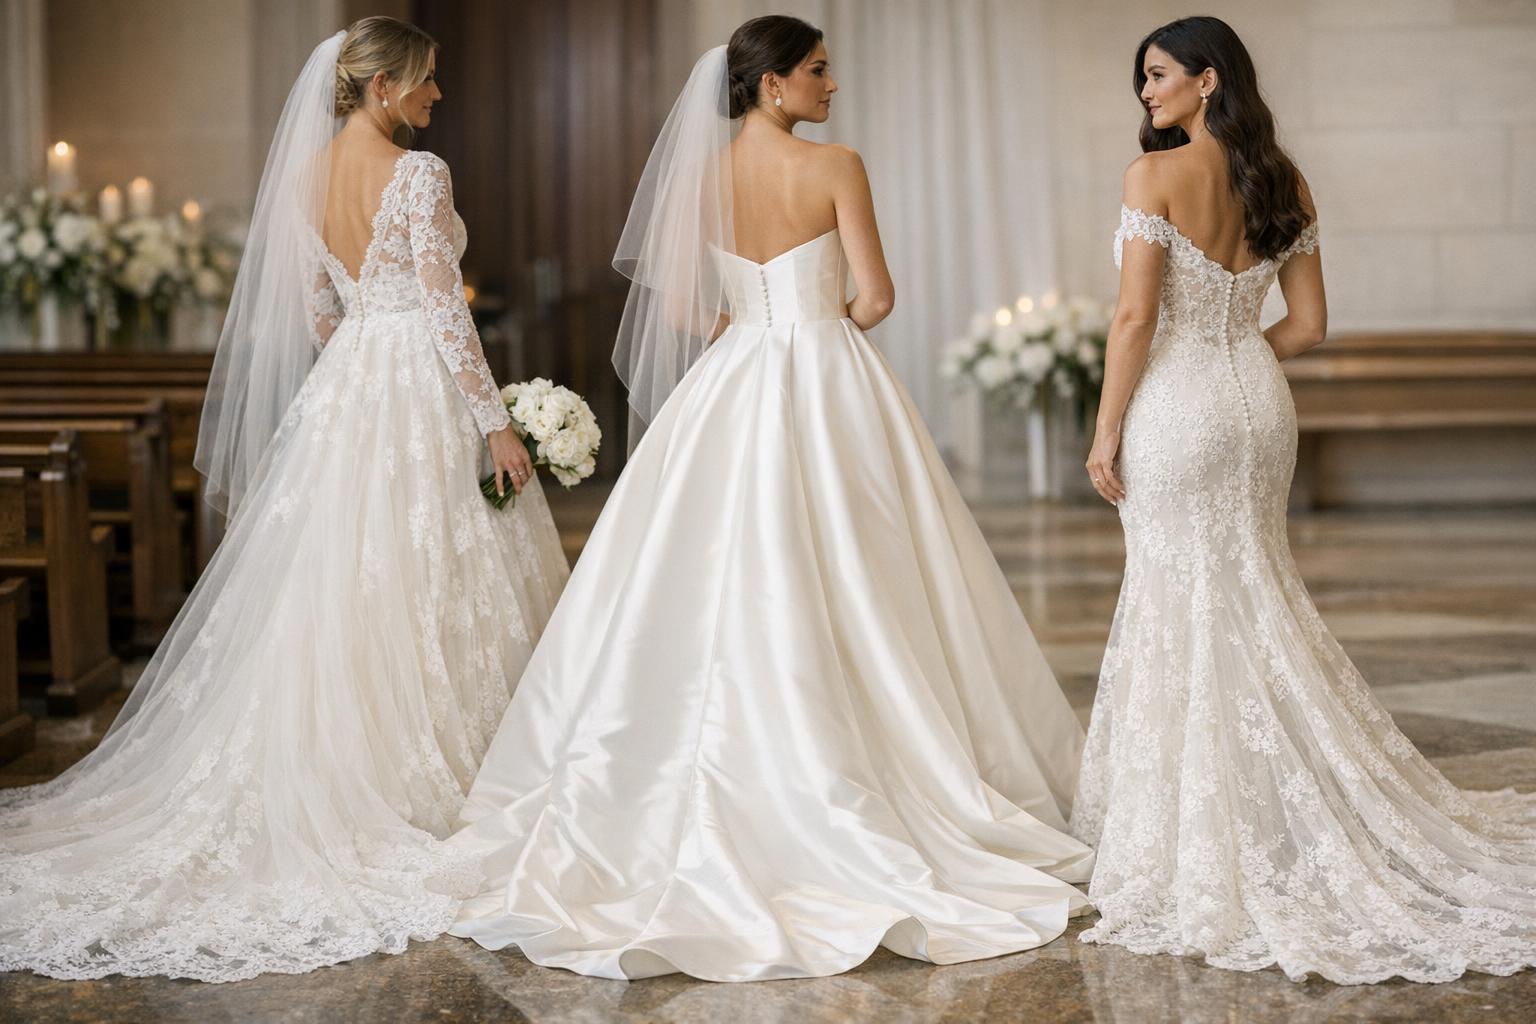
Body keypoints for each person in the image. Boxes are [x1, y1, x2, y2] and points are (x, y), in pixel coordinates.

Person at [447, 15, 1094, 983]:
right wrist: (808, 322)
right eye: (818, 72)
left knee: (706, 578)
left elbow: (673, 311)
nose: (831, 87)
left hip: (732, 377)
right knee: (868, 579)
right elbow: (875, 299)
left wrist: (751, 326)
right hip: (828, 376)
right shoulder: (836, 168)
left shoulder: (699, 181)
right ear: (771, 86)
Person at [0, 17, 568, 983]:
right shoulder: (419, 176)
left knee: (339, 578)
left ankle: (342, 759)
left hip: (347, 388)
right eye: (427, 82)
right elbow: (443, 308)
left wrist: (366, 334)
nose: (438, 99)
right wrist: (495, 421)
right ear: (383, 87)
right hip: (414, 383)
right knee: (421, 571)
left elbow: (317, 312)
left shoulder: (304, 176)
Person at [1072, 14, 1536, 985]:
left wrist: (1110, 424)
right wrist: (1238, 354)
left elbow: (1133, 316)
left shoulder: (1150, 177)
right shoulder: (1285, 180)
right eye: (1142, 81)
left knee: (1181, 593)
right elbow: (1310, 324)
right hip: (1260, 407)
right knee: (1252, 585)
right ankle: (1271, 793)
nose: (1145, 95)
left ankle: (1204, 818)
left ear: (1207, 80)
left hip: (1178, 410)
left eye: (1157, 76)